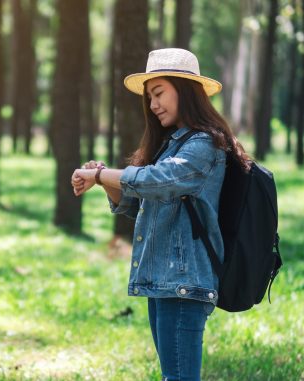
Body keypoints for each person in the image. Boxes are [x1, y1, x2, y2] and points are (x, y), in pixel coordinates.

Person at [71, 48, 250, 381]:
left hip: (183, 280)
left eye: (159, 93)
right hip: (163, 279)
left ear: (185, 90)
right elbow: (139, 202)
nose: (153, 105)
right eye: (149, 97)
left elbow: (160, 181)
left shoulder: (204, 144)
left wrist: (100, 175)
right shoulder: (172, 144)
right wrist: (105, 180)